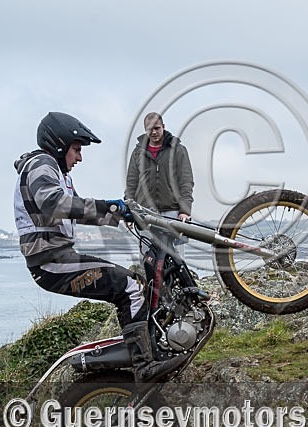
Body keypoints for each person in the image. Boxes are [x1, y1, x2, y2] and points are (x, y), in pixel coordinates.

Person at [13, 112, 184, 382]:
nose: (79, 157)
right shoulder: (41, 164)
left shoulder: (55, 171)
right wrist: (110, 206)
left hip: (56, 257)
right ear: (59, 144)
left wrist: (121, 215)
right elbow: (53, 204)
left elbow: (80, 209)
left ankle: (149, 349)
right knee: (129, 287)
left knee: (136, 284)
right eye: (76, 149)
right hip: (50, 260)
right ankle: (144, 366)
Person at [125, 112, 194, 222]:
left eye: (157, 128)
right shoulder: (137, 152)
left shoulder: (178, 150)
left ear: (163, 127)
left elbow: (186, 182)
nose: (154, 132)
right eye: (149, 129)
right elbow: (131, 183)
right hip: (144, 212)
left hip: (173, 212)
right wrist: (128, 210)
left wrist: (185, 211)